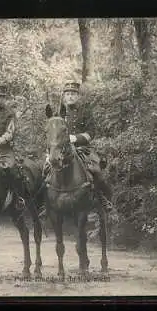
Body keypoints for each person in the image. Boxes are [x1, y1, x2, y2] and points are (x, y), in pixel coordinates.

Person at [40, 80, 113, 216]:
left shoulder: (85, 111)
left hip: (83, 148)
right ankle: (47, 205)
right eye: (67, 94)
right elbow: (52, 135)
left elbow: (91, 132)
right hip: (62, 150)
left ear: (78, 96)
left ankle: (103, 200)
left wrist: (76, 138)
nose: (70, 96)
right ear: (64, 96)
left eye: (73, 94)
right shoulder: (59, 114)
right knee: (45, 171)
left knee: (96, 171)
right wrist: (49, 151)